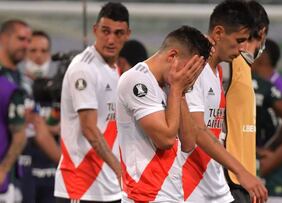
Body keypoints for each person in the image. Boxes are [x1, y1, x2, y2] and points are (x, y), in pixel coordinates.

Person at [182, 1, 267, 203]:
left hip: (213, 184)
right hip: (191, 188)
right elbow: (197, 131)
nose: (241, 49)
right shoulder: (195, 66)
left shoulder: (218, 71)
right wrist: (242, 172)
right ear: (218, 33)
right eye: (238, 41)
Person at [116, 25, 211, 203]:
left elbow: (189, 142)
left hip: (171, 195)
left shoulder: (172, 84)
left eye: (196, 73)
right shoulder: (137, 80)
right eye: (190, 69)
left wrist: (180, 91)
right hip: (143, 197)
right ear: (172, 56)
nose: (191, 78)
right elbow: (165, 140)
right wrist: (176, 89)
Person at [54, 2, 130, 202]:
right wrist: (120, 170)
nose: (111, 39)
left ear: (127, 35)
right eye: (105, 31)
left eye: (118, 33)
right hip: (80, 187)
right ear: (95, 30)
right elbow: (89, 128)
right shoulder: (84, 69)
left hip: (108, 186)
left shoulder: (114, 69)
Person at [225, 1, 269, 202]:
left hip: (243, 180)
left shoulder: (243, 67)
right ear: (262, 32)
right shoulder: (229, 65)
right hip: (230, 180)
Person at [253, 38, 282, 203]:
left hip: (277, 185)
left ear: (261, 58)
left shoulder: (277, 91)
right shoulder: (268, 86)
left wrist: (257, 171)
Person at [19, 30, 61, 203]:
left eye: (43, 51)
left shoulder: (59, 91)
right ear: (25, 52)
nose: (38, 56)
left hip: (53, 177)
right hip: (24, 174)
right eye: (33, 50)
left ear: (50, 55)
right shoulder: (17, 90)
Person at [0, 19, 31, 203]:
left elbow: (29, 128)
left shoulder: (23, 82)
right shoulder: (7, 83)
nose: (26, 45)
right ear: (4, 38)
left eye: (28, 40)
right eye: (21, 39)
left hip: (12, 178)